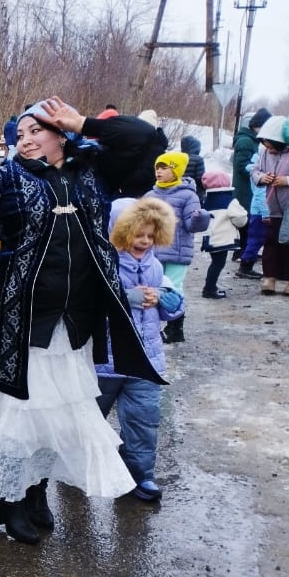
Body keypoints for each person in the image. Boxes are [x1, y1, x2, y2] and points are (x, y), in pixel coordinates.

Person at [0, 99, 166, 545]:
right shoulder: (8, 179)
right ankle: (11, 504)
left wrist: (87, 123)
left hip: (74, 323)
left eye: (34, 130)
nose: (24, 140)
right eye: (18, 135)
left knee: (53, 418)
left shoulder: (95, 172)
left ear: (60, 133)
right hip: (19, 322)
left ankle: (37, 493)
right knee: (21, 420)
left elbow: (149, 141)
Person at [97, 197, 183, 504]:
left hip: (146, 363)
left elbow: (175, 307)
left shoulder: (156, 267)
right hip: (104, 362)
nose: (144, 241)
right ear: (119, 232)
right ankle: (79, 468)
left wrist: (163, 298)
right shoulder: (101, 265)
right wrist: (123, 298)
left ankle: (140, 474)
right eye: (137, 234)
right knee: (90, 421)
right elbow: (85, 309)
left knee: (144, 421)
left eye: (150, 235)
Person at [148, 151, 209, 342]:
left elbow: (193, 225)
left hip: (177, 251)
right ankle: (153, 326)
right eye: (157, 167)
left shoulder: (188, 196)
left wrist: (201, 218)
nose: (159, 171)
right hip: (152, 250)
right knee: (152, 286)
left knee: (173, 287)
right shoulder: (150, 194)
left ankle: (175, 328)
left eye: (164, 167)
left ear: (176, 171)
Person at [252, 114, 289, 298]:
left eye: (269, 142)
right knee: (271, 242)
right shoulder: (265, 153)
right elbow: (255, 170)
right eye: (263, 142)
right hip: (274, 206)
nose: (266, 146)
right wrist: (262, 178)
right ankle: (269, 277)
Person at [233, 109, 271, 278]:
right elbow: (242, 166)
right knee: (247, 222)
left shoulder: (252, 140)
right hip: (246, 188)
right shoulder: (246, 142)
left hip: (251, 186)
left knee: (249, 223)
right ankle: (242, 255)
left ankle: (244, 253)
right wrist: (258, 172)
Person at [199, 170, 243, 299]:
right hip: (223, 238)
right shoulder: (229, 200)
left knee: (215, 263)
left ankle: (210, 287)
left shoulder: (206, 200)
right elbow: (240, 218)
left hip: (210, 238)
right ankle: (209, 289)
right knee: (218, 264)